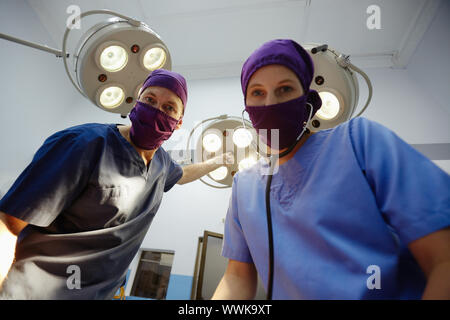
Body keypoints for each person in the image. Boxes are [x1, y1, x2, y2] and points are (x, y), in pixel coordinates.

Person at [212, 39, 450, 300]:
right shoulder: (244, 185)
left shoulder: (359, 141)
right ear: (246, 105)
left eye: (285, 89)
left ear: (307, 100)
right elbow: (236, 277)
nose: (270, 103)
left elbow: (443, 257)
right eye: (257, 92)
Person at [0, 69, 232, 299]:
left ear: (178, 123)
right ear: (135, 104)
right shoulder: (83, 144)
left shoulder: (162, 164)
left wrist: (217, 161)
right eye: (150, 100)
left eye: (169, 107)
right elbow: (9, 223)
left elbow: (182, 175)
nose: (156, 111)